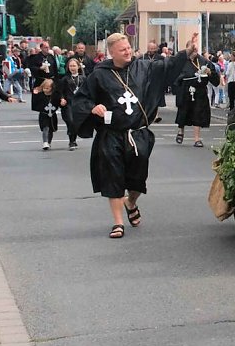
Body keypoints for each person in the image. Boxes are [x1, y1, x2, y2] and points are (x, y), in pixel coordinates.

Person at [71, 32, 200, 239]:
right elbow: (81, 99)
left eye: (129, 48)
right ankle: (118, 222)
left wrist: (187, 53)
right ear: (112, 53)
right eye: (122, 50)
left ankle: (130, 202)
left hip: (138, 134)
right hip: (111, 134)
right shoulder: (99, 74)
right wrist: (93, 107)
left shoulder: (144, 67)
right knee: (113, 177)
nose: (127, 52)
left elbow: (167, 66)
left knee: (138, 179)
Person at [174, 48, 219, 148]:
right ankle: (181, 131)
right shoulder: (182, 61)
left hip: (199, 91)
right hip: (185, 90)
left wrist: (210, 73)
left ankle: (197, 139)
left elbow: (216, 80)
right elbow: (175, 76)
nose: (194, 53)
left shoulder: (204, 61)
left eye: (195, 50)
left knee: (198, 113)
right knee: (183, 113)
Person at [56, 57, 86, 150]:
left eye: (74, 66)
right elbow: (60, 91)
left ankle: (73, 140)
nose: (72, 68)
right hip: (68, 103)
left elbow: (87, 91)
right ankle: (71, 141)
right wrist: (62, 99)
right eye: (70, 66)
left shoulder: (83, 78)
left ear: (78, 67)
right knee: (70, 121)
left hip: (79, 104)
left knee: (76, 122)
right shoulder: (65, 79)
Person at [33, 77, 60, 151]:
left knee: (51, 129)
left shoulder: (54, 95)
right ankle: (45, 142)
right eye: (44, 88)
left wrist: (61, 101)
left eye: (47, 88)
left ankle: (49, 142)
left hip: (52, 115)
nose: (45, 90)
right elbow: (35, 103)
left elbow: (58, 102)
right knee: (45, 128)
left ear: (52, 88)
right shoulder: (41, 95)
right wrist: (35, 94)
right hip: (43, 114)